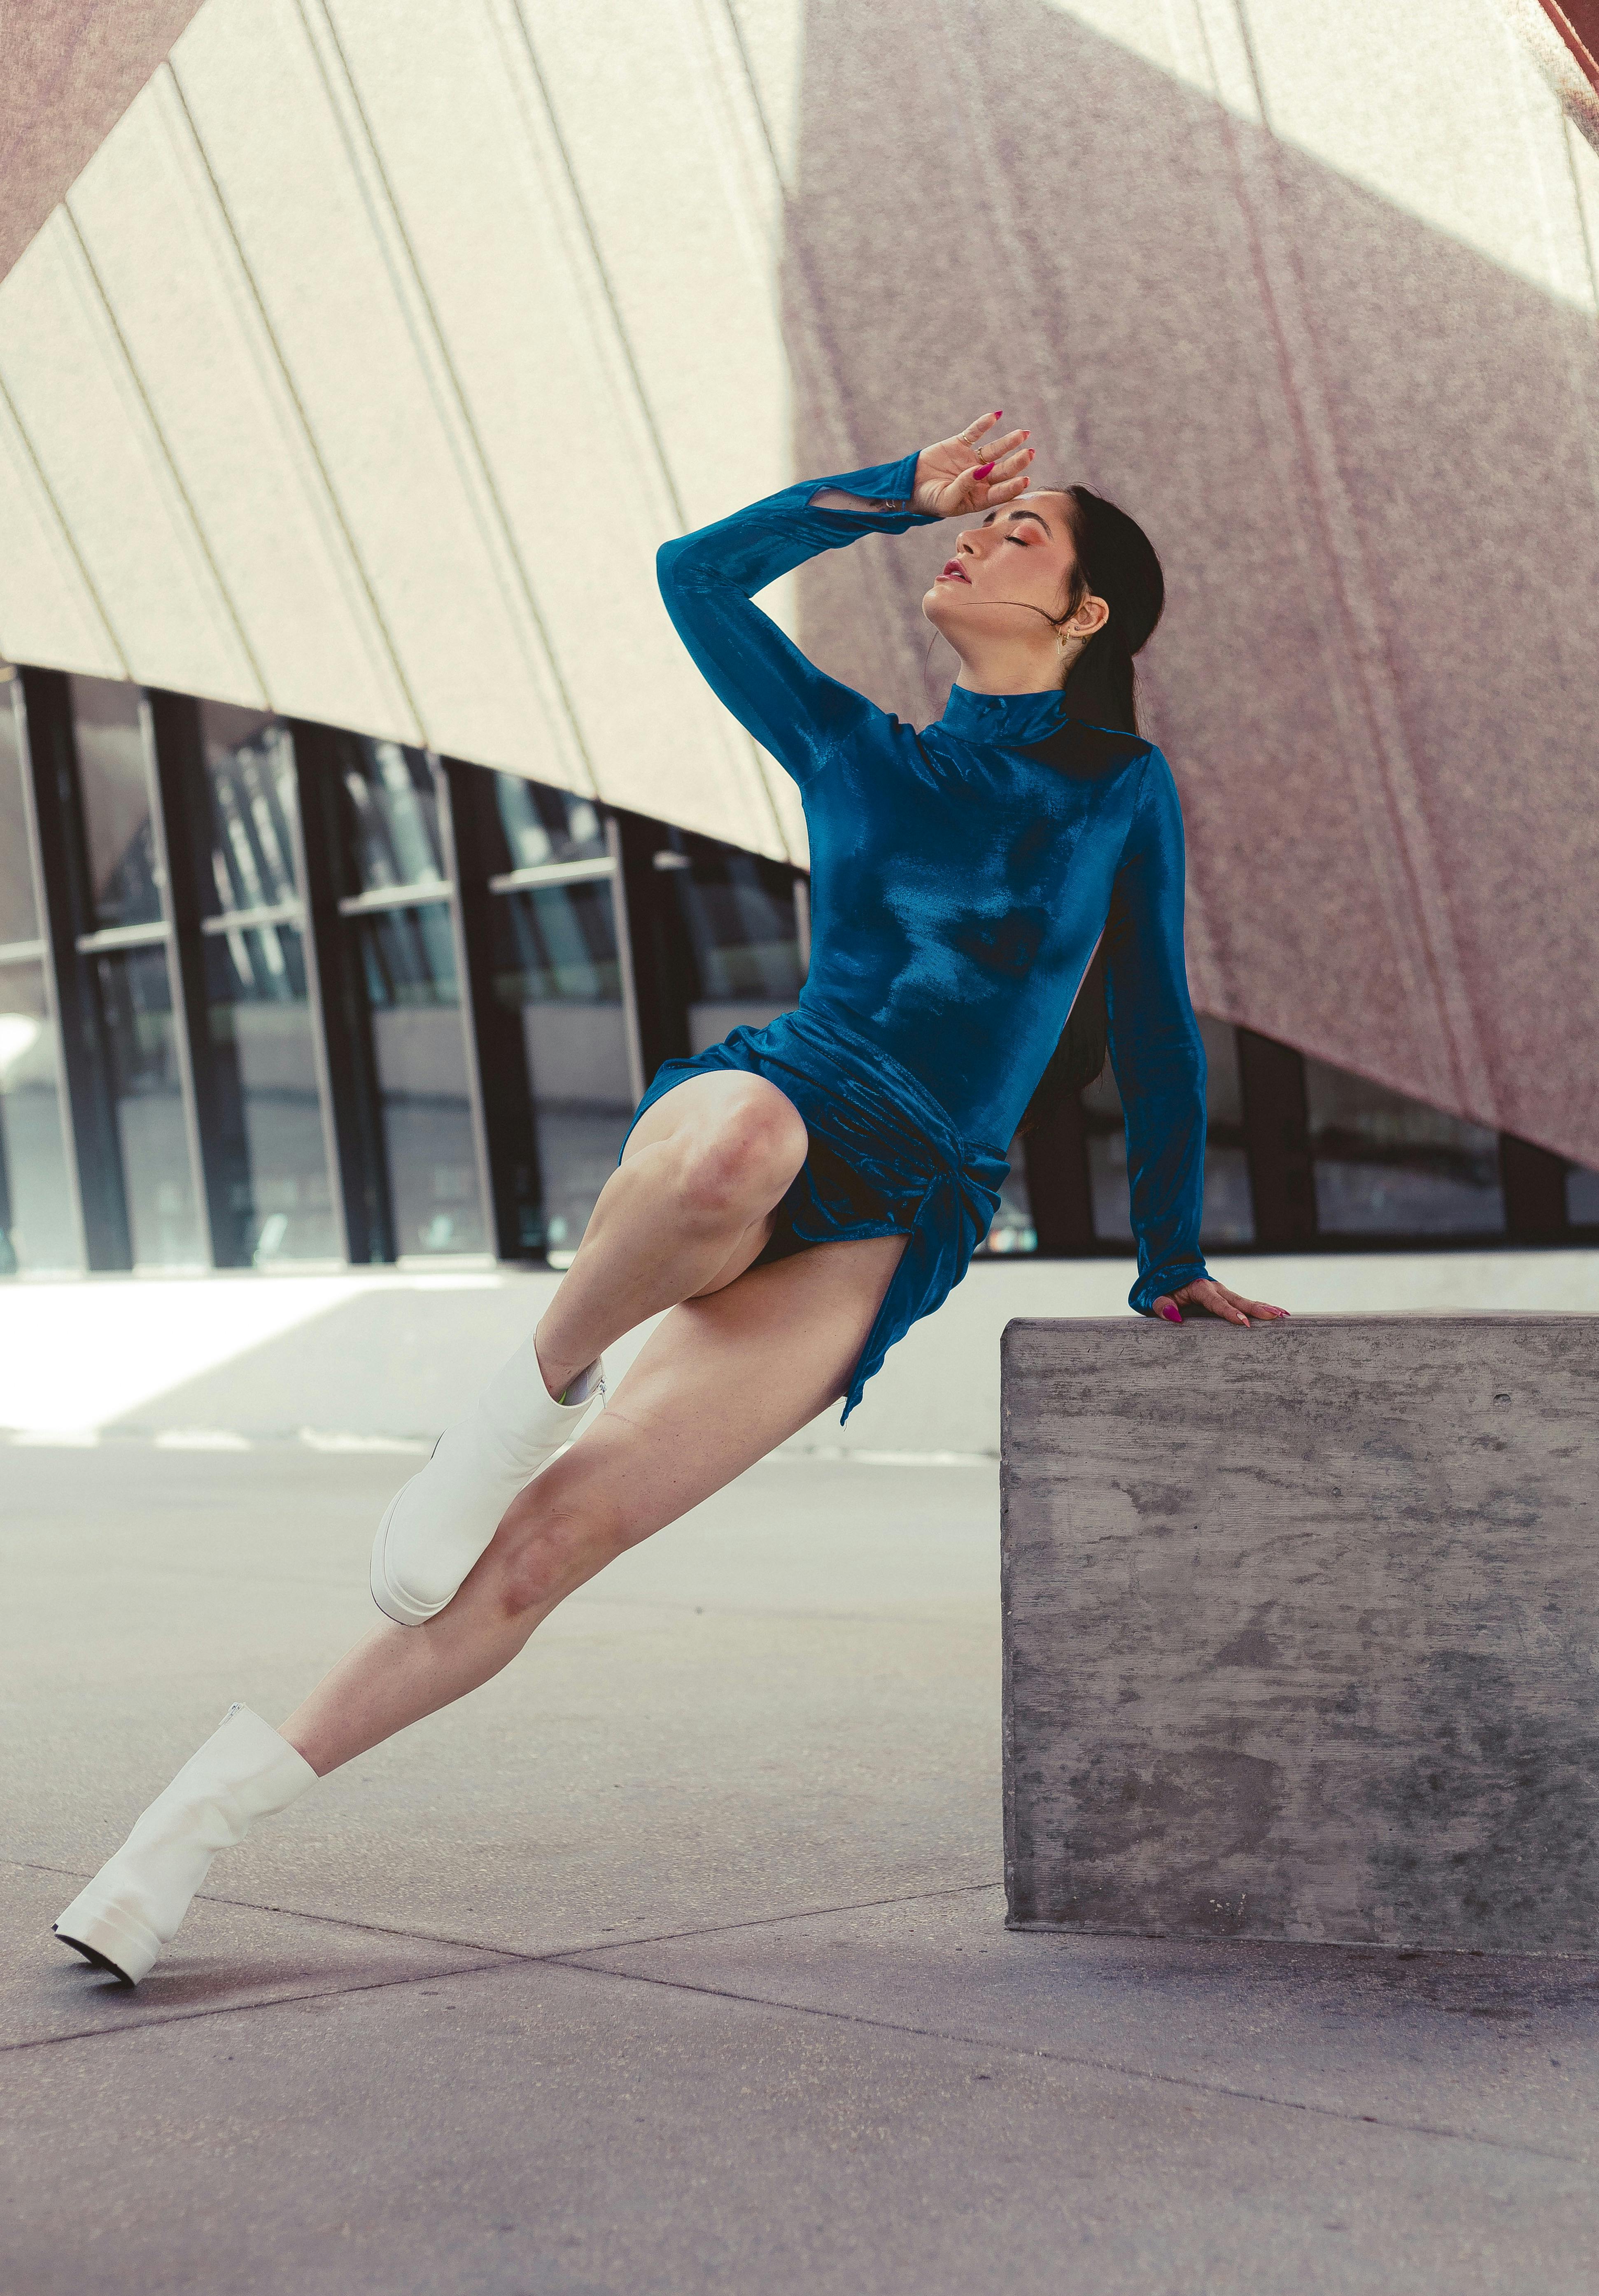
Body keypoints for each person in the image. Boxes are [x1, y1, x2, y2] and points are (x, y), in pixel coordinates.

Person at [52, 411, 1286, 1987]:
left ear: (1087, 615)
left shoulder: (1119, 787)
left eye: (1018, 534)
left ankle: (183, 1838)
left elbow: (1154, 1023)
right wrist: (886, 497)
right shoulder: (856, 747)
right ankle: (525, 1389)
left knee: (533, 1557)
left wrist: (1168, 1256)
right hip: (771, 1095)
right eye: (973, 525)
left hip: (897, 1206)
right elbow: (695, 577)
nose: (973, 540)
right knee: (727, 1158)